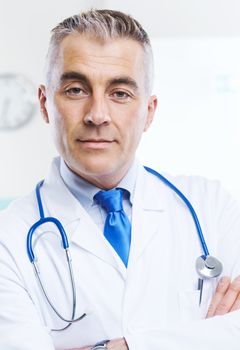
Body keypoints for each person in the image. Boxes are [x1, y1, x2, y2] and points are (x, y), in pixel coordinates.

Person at [0, 9, 240, 350]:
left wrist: (121, 347)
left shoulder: (211, 206)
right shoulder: (8, 240)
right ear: (44, 104)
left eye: (120, 94)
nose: (97, 114)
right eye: (75, 90)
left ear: (149, 112)